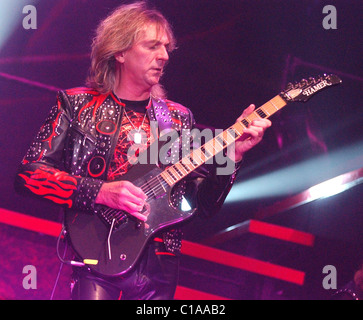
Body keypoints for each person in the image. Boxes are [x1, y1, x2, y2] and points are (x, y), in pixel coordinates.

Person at [14, 1, 271, 300]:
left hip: (161, 265)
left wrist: (233, 156)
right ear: (120, 52)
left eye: (165, 48)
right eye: (151, 46)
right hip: (98, 255)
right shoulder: (78, 105)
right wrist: (99, 191)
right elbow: (28, 175)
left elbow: (203, 205)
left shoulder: (177, 118)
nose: (163, 56)